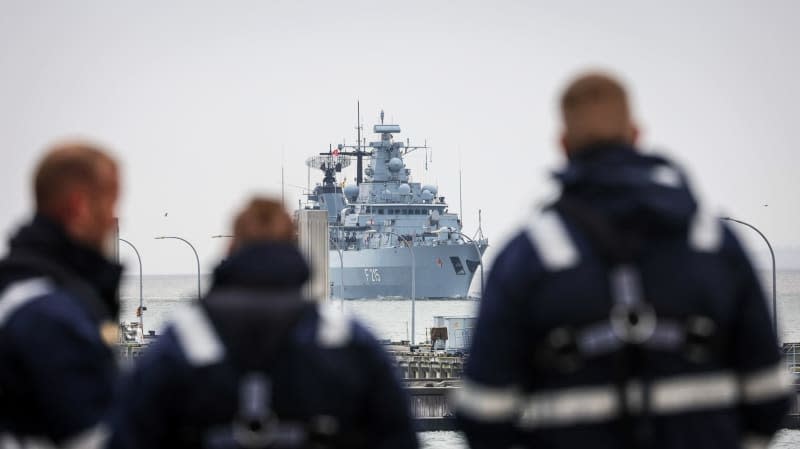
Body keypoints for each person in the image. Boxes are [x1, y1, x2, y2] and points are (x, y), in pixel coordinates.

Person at [454, 72, 792, 449]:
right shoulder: (715, 243)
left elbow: (482, 415)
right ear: (635, 134)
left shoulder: (529, 257)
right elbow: (770, 395)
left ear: (563, 144)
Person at [110, 198, 418, 449]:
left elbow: (130, 433)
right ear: (296, 249)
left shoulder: (180, 342)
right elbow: (398, 434)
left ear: (230, 249)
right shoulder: (348, 340)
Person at [0, 141, 122, 447]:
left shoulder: (17, 291)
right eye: (110, 205)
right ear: (79, 207)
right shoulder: (52, 317)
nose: (113, 219)